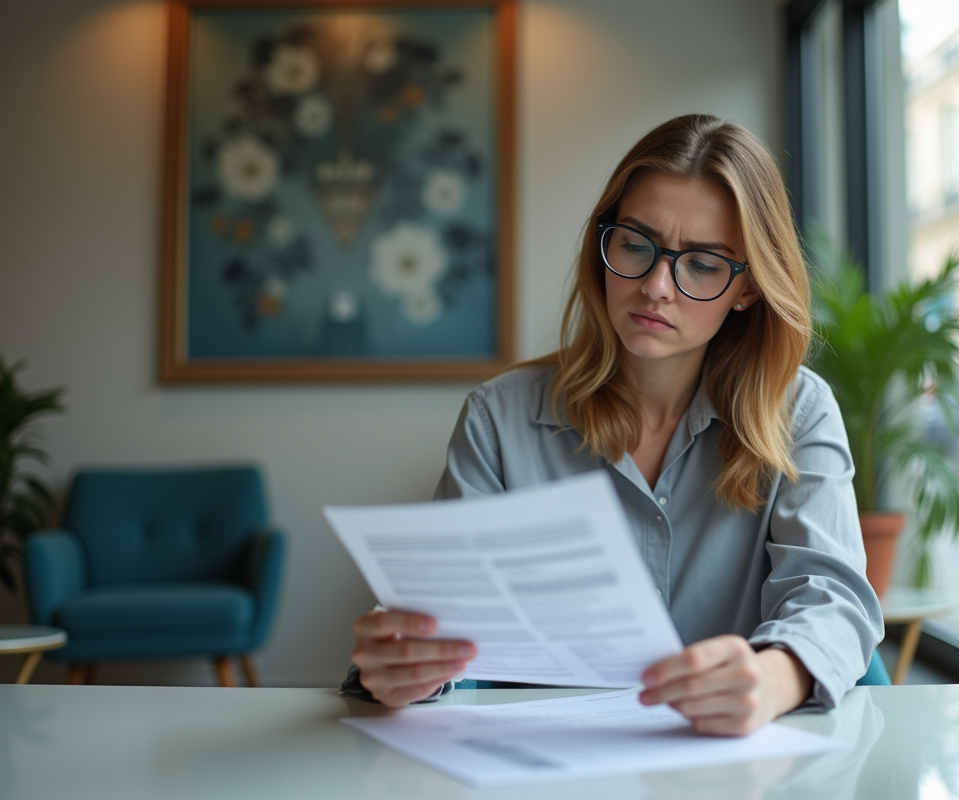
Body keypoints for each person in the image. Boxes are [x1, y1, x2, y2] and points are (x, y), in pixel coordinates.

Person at [344, 114, 883, 736]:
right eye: (636, 244)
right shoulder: (499, 418)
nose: (656, 287)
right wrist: (405, 665)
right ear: (603, 245)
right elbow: (446, 615)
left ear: (748, 290)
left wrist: (772, 678)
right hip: (548, 768)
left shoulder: (799, 411)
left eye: (703, 264)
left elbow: (833, 596)